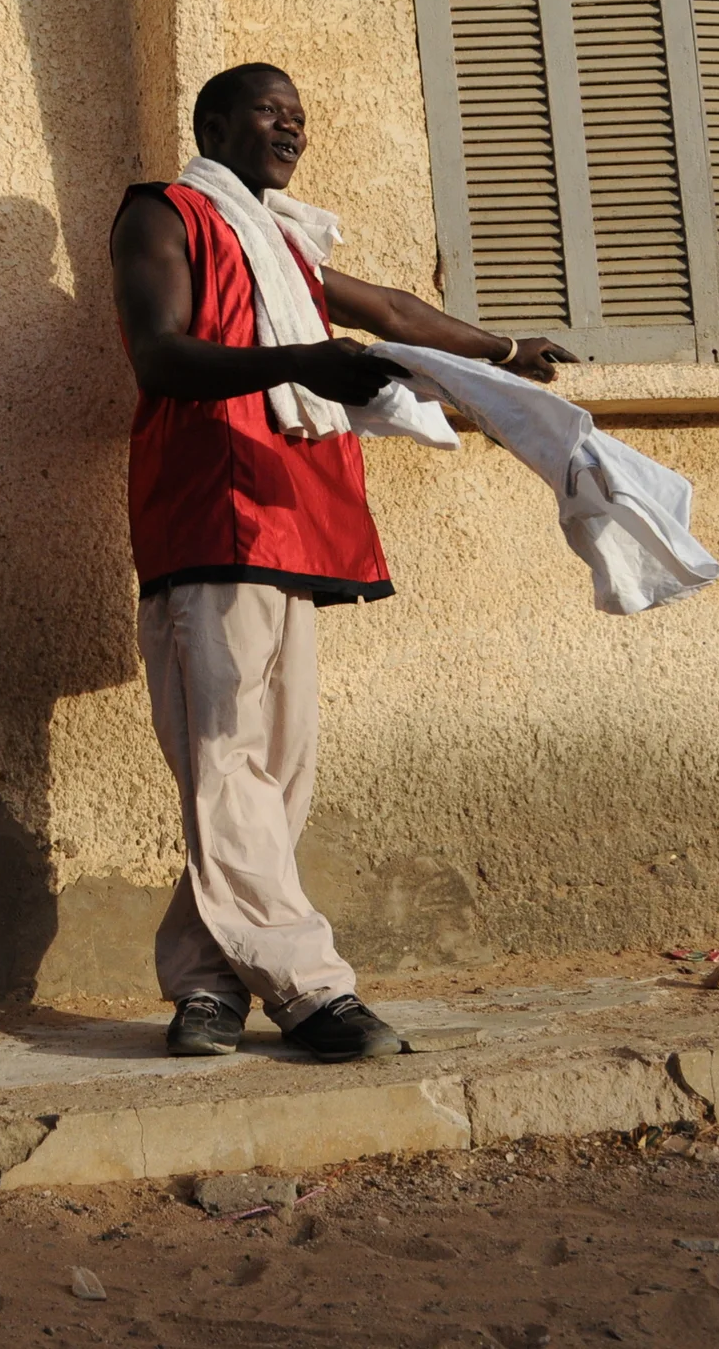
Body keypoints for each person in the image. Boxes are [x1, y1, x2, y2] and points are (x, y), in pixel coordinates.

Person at [108, 61, 572, 1062]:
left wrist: (499, 352)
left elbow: (394, 311)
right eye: (270, 112)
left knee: (270, 774)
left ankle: (204, 987)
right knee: (228, 762)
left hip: (291, 517)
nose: (291, 127)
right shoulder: (166, 215)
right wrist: (298, 362)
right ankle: (311, 987)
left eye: (300, 116)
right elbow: (158, 355)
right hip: (211, 515)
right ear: (215, 122)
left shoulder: (279, 241)